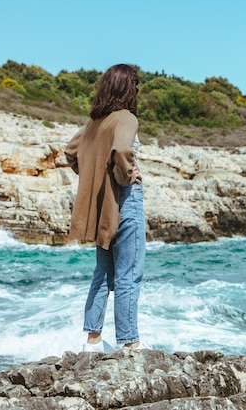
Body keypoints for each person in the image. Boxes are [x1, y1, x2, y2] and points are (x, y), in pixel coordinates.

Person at [65, 64, 150, 351]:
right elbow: (123, 152)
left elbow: (71, 152)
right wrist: (126, 175)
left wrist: (94, 177)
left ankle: (93, 340)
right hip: (126, 200)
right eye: (135, 86)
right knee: (129, 273)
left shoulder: (94, 122)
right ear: (127, 88)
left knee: (103, 274)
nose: (137, 91)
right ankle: (130, 343)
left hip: (103, 207)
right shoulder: (126, 118)